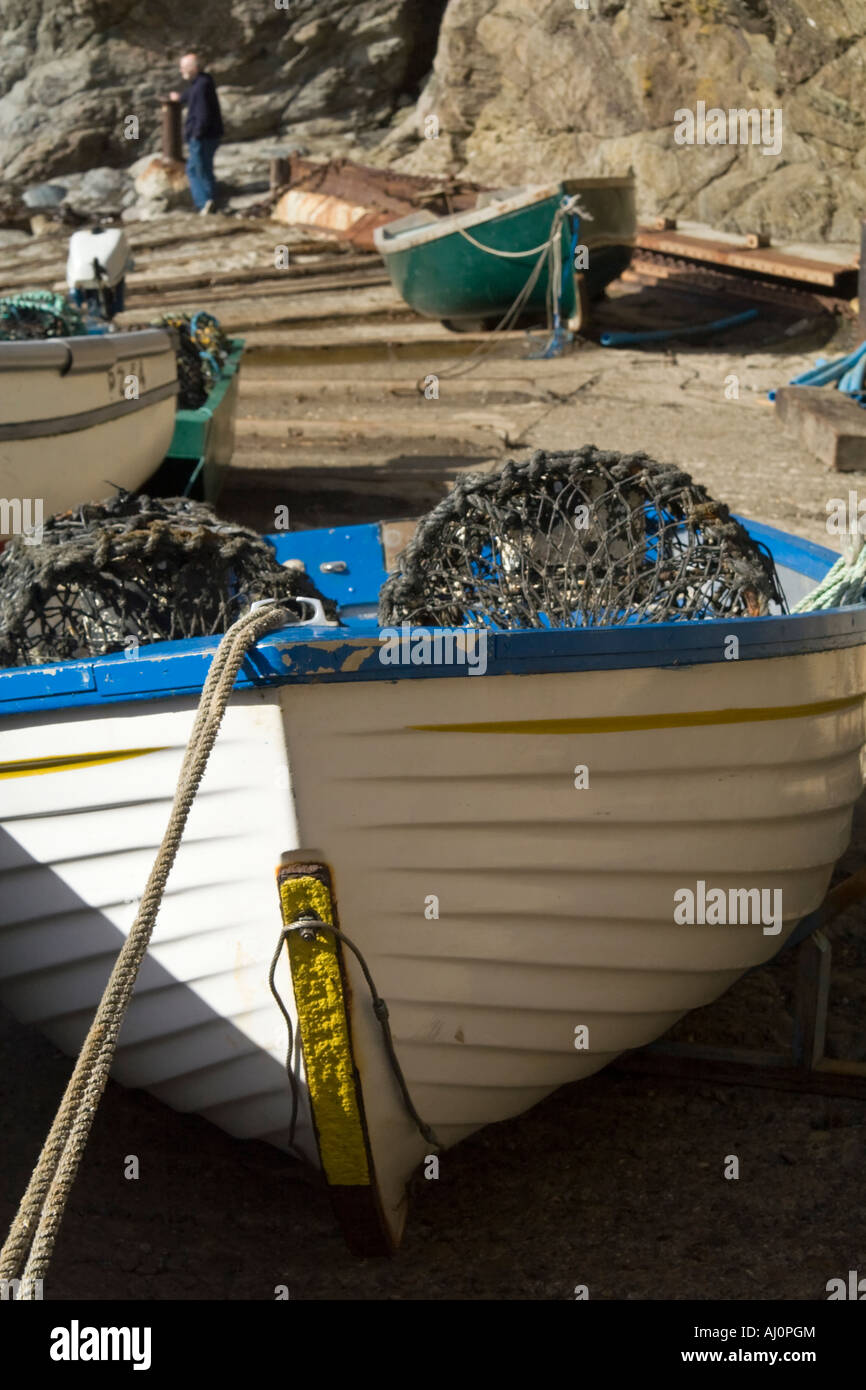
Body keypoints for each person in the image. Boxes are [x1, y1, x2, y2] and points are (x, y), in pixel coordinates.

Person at [170, 53, 223, 214]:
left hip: (203, 136)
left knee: (195, 169)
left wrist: (195, 134)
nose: (181, 70)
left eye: (184, 67)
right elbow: (190, 95)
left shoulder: (200, 86)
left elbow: (202, 113)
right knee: (204, 168)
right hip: (210, 134)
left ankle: (204, 203)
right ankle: (210, 200)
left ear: (194, 68)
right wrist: (179, 98)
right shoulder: (203, 82)